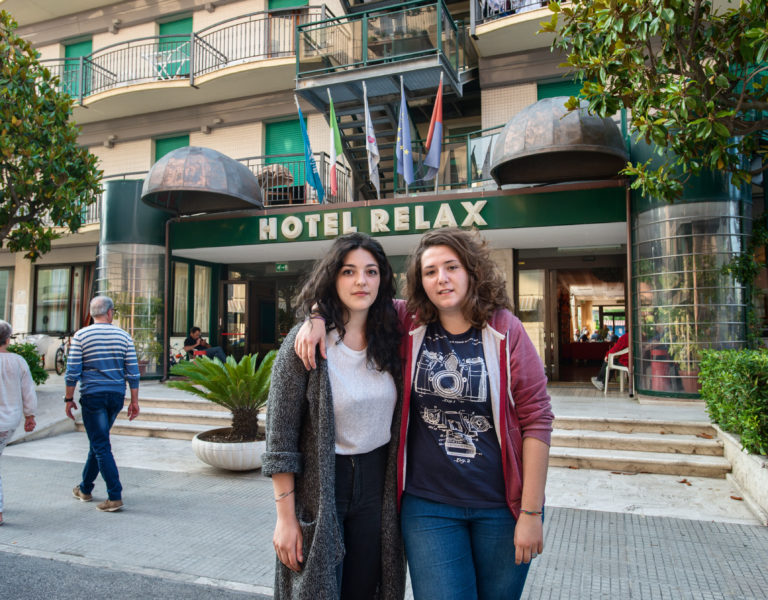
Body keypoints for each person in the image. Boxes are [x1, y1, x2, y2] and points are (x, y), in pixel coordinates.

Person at [296, 228, 554, 600]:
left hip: (500, 508)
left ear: (472, 271)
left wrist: (531, 513)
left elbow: (537, 420)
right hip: (429, 506)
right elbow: (353, 296)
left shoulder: (505, 330)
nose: (442, 279)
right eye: (430, 271)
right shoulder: (408, 322)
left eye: (451, 267)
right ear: (420, 280)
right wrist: (316, 316)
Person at [262, 233, 406, 600]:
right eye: (349, 271)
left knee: (365, 588)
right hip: (324, 485)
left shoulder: (393, 337)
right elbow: (280, 440)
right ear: (332, 278)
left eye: (371, 272)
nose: (361, 281)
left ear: (383, 279)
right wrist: (285, 518)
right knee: (318, 589)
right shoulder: (305, 343)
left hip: (377, 485)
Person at [65, 296, 140, 512]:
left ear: (91, 314)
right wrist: (134, 401)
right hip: (115, 396)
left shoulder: (81, 335)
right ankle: (85, 489)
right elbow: (133, 373)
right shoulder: (124, 336)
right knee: (98, 442)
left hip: (93, 396)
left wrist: (69, 399)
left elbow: (72, 372)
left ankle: (114, 496)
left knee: (100, 445)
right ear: (109, 313)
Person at [0, 320, 37, 526]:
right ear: (8, 339)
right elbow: (28, 392)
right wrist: (30, 416)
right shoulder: (18, 361)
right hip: (9, 422)